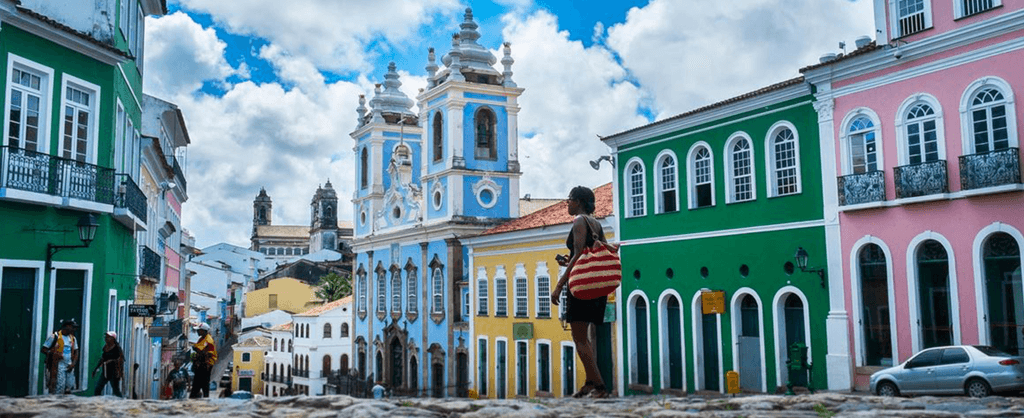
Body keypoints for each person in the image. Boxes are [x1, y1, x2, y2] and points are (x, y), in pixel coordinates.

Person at [551, 186, 614, 398]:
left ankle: (600, 387)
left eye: (569, 199)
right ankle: (589, 382)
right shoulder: (595, 223)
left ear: (578, 201)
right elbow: (588, 254)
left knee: (580, 338)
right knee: (583, 338)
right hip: (595, 286)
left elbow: (579, 253)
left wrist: (559, 285)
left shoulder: (579, 221)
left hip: (581, 288)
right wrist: (568, 260)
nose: (567, 203)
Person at [42, 319, 80, 395]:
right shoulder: (54, 337)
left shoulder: (72, 338)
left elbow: (76, 352)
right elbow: (44, 349)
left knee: (69, 388)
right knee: (58, 387)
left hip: (69, 366)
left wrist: (73, 364)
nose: (74, 329)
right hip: (58, 366)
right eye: (72, 327)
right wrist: (53, 353)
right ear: (67, 326)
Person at [189, 323, 217, 399]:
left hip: (205, 365)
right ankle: (197, 397)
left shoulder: (209, 340)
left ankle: (203, 398)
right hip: (201, 364)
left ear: (203, 331)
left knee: (202, 384)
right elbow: (200, 348)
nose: (197, 331)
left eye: (199, 330)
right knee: (198, 385)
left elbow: (209, 354)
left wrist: (196, 350)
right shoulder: (202, 338)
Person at [92, 331, 124, 397]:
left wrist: (119, 373)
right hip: (106, 371)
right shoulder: (105, 347)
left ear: (113, 339)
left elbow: (120, 360)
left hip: (114, 372)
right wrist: (96, 369)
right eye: (106, 337)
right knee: (98, 388)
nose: (106, 338)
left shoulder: (117, 348)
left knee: (116, 390)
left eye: (108, 337)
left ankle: (122, 402)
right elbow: (103, 358)